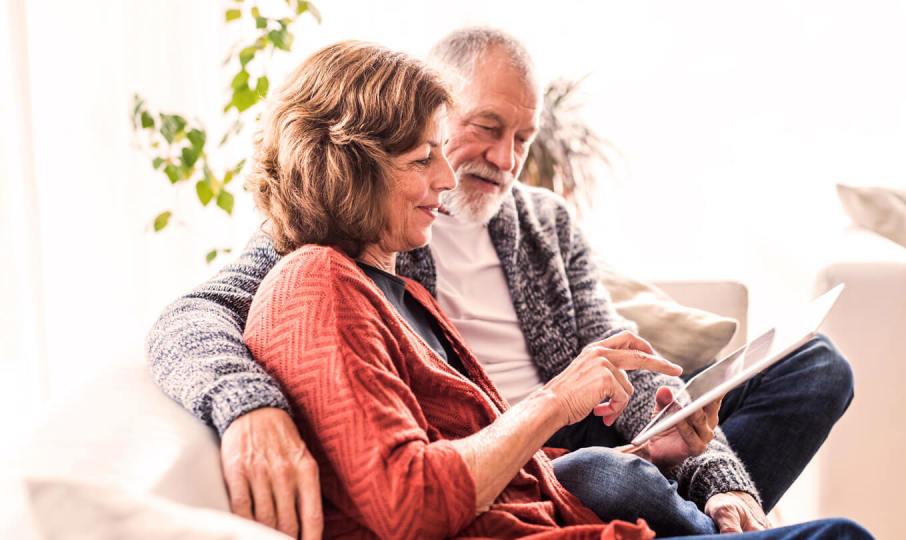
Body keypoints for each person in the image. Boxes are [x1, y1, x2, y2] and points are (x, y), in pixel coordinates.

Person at [147, 28, 859, 538]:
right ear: (431, 112)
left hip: (560, 433)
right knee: (611, 477)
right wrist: (248, 407)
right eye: (484, 128)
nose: (502, 158)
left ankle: (709, 512)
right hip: (493, 440)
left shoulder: (541, 223)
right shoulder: (340, 241)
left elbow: (612, 353)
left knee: (814, 365)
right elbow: (190, 318)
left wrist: (709, 467)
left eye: (522, 137)